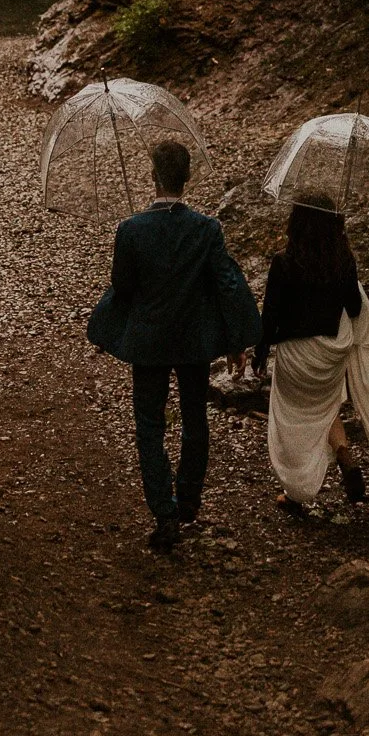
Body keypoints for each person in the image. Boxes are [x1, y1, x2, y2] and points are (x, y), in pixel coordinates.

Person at [87, 138, 261, 552]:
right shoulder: (206, 229)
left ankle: (163, 513)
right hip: (194, 341)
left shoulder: (131, 229)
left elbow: (123, 287)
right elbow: (226, 283)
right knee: (194, 417)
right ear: (187, 178)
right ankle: (188, 501)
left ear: (152, 177)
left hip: (148, 342)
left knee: (149, 425)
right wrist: (237, 339)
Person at [255, 195, 369, 515]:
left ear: (297, 223)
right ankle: (344, 454)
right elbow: (355, 308)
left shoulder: (283, 260)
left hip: (296, 354)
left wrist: (260, 353)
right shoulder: (344, 260)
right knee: (325, 405)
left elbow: (271, 315)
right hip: (330, 354)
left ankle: (295, 494)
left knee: (292, 418)